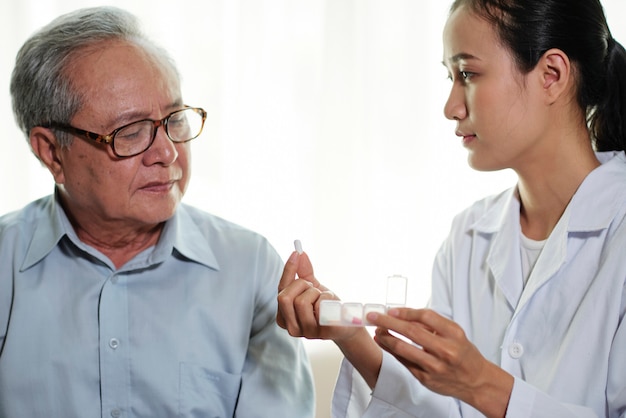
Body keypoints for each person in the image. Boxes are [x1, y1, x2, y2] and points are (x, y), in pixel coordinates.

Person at [277, 0, 626, 416]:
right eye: (451, 76)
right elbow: (442, 408)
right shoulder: (470, 234)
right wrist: (348, 336)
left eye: (468, 74)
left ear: (551, 75)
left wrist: (482, 383)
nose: (450, 107)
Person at [0, 6, 314, 417]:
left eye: (174, 120)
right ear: (52, 152)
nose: (167, 153)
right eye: (130, 133)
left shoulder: (249, 268)